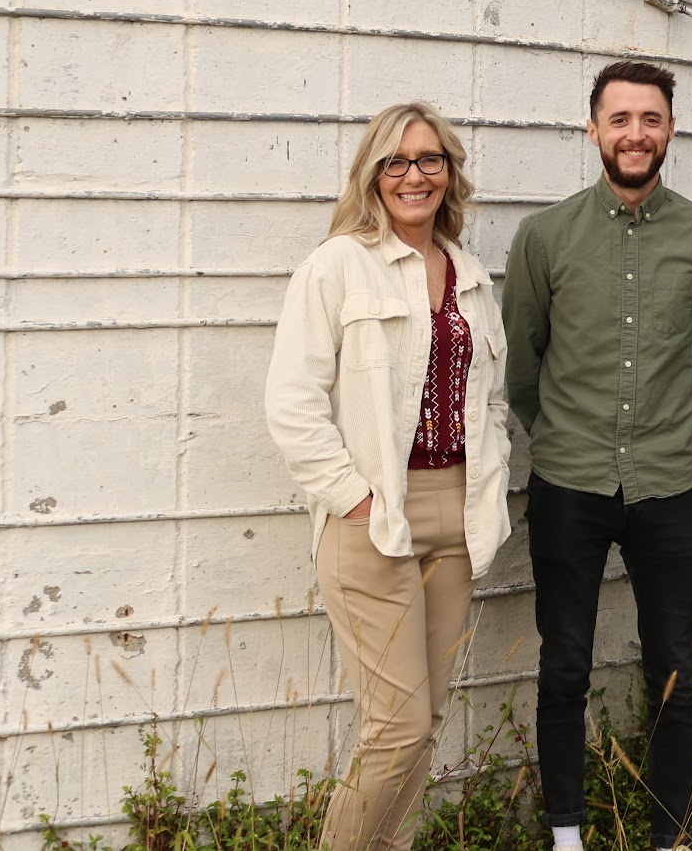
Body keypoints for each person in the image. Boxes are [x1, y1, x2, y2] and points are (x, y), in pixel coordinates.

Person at [500, 60, 692, 851]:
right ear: (593, 128)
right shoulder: (544, 237)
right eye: (620, 118)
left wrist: (658, 432)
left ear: (670, 129)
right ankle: (567, 835)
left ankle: (669, 837)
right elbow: (524, 366)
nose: (636, 133)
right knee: (565, 664)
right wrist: (565, 436)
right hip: (568, 482)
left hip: (669, 484)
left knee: (676, 671)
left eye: (651, 118)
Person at [264, 102, 514, 851]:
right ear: (373, 174)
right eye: (397, 161)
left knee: (421, 723)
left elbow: (492, 400)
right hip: (375, 517)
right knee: (395, 727)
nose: (414, 175)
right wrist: (355, 498)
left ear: (449, 172)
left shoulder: (470, 275)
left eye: (430, 160)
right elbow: (292, 403)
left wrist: (490, 478)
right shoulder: (337, 265)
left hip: (457, 516)